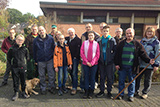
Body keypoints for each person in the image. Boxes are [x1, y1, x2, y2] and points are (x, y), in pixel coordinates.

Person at [114, 28, 155, 102]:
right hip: (122, 66)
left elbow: (143, 54)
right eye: (127, 33)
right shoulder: (121, 43)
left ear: (133, 34)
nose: (129, 35)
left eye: (130, 33)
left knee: (132, 82)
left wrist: (149, 60)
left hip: (132, 67)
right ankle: (121, 94)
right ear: (125, 34)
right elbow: (117, 54)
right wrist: (116, 64)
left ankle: (131, 95)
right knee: (121, 81)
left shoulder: (137, 44)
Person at [135, 27, 160, 99]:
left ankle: (145, 92)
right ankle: (136, 91)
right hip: (141, 63)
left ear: (153, 33)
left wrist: (156, 64)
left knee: (147, 79)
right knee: (138, 78)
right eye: (148, 32)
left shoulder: (156, 42)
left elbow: (157, 54)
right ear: (145, 32)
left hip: (150, 64)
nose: (149, 33)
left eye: (151, 32)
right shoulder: (142, 41)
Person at [33, 26, 56, 95]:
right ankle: (43, 88)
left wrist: (53, 58)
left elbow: (54, 48)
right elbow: (34, 51)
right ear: (38, 32)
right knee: (41, 75)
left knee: (51, 75)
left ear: (45, 30)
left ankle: (51, 87)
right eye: (40, 31)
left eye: (42, 30)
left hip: (50, 59)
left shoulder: (50, 38)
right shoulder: (36, 40)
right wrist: (36, 60)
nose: (41, 31)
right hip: (40, 60)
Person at [96, 25, 116, 99]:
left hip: (109, 63)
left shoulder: (112, 40)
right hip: (101, 62)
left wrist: (111, 59)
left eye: (107, 31)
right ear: (102, 31)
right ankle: (101, 91)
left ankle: (109, 92)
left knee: (110, 77)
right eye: (104, 31)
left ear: (109, 31)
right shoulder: (99, 40)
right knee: (102, 77)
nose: (105, 32)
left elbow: (115, 51)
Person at [7, 34, 29, 101]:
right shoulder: (12, 49)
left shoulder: (25, 49)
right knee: (15, 81)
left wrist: (25, 64)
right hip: (15, 67)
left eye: (21, 40)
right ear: (16, 40)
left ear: (23, 41)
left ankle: (23, 92)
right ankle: (16, 93)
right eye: (19, 40)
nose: (20, 41)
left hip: (23, 67)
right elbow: (9, 58)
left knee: (23, 80)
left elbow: (27, 57)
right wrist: (11, 66)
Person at [80, 23, 100, 93]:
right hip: (85, 64)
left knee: (92, 77)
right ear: (88, 36)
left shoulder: (96, 44)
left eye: (92, 35)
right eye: (89, 35)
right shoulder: (84, 43)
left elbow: (97, 54)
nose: (90, 36)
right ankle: (86, 90)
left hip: (94, 64)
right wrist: (86, 62)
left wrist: (92, 63)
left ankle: (91, 91)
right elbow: (82, 53)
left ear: (94, 36)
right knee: (86, 77)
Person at [65, 28, 81, 95]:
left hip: (74, 59)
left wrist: (75, 57)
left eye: (72, 32)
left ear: (74, 32)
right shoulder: (67, 39)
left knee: (74, 73)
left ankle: (74, 87)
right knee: (70, 72)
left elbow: (79, 50)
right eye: (69, 32)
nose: (71, 33)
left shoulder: (78, 40)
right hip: (68, 59)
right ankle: (72, 85)